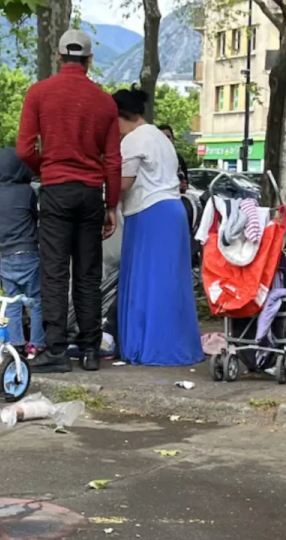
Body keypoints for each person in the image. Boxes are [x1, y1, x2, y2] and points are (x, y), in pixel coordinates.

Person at [16, 28, 121, 374]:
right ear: (90, 60)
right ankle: (90, 349)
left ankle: (57, 350)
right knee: (88, 274)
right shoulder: (104, 102)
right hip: (91, 195)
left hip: (56, 190)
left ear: (59, 56)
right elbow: (113, 160)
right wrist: (111, 205)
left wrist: (45, 170)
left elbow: (24, 149)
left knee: (55, 272)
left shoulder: (39, 93)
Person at [114, 87, 203, 367]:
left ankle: (148, 347)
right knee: (171, 282)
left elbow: (123, 185)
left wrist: (104, 200)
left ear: (119, 116)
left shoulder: (132, 141)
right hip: (173, 210)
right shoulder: (160, 138)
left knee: (147, 281)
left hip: (149, 212)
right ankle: (177, 344)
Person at [0, 148, 44, 359]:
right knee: (36, 300)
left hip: (6, 255)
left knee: (11, 302)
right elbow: (34, 216)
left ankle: (17, 344)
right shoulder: (26, 192)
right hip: (28, 251)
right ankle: (37, 344)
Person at [158, 124, 189, 195]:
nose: (165, 140)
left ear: (173, 139)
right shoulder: (150, 159)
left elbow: (185, 182)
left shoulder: (179, 159)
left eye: (168, 137)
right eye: (162, 137)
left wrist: (183, 186)